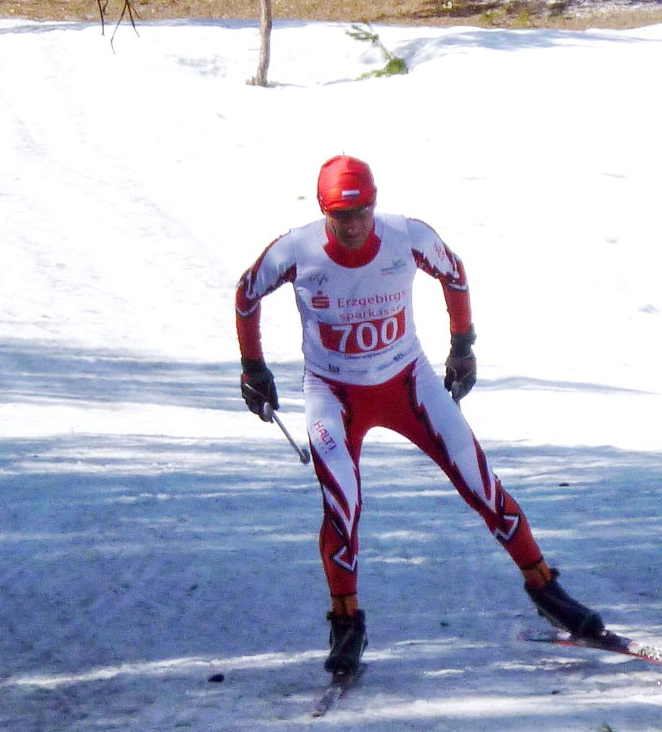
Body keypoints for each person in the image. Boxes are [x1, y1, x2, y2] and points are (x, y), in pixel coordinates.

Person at [235, 154, 604, 676]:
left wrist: (463, 346)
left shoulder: (406, 236)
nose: (355, 225)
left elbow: (454, 273)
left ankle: (545, 586)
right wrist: (254, 369)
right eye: (342, 217)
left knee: (479, 480)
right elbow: (246, 294)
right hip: (333, 392)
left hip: (408, 382)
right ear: (324, 214)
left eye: (362, 212)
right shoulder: (296, 250)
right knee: (343, 503)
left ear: (375, 204)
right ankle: (347, 623)